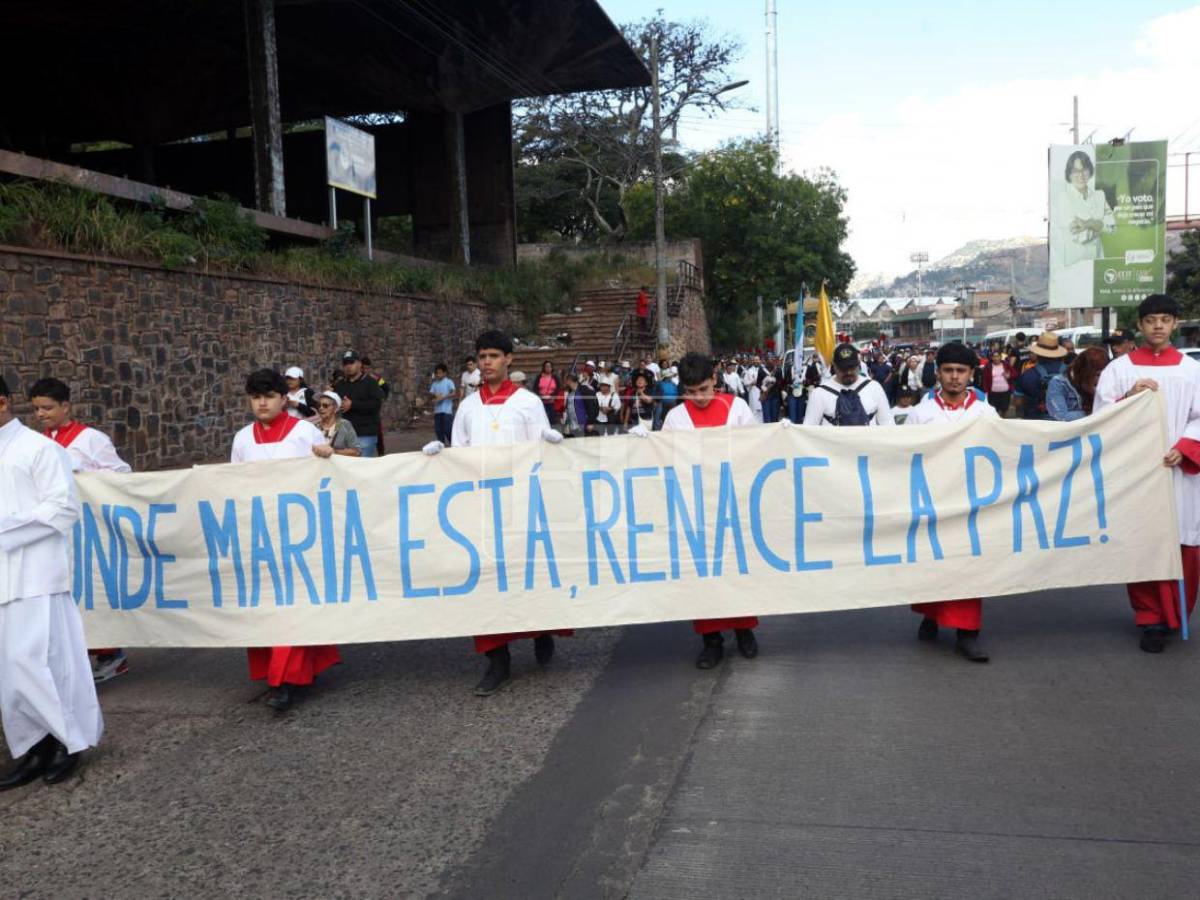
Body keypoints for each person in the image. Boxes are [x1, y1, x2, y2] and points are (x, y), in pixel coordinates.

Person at [423, 330, 571, 695]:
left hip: (521, 502)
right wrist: (440, 457)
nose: (486, 362)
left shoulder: (527, 402)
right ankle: (497, 659)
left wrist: (552, 444)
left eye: (493, 356)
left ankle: (541, 630)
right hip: (482, 506)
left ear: (509, 360)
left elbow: (541, 449)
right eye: (482, 356)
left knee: (527, 573)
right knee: (486, 579)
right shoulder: (468, 406)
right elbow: (461, 451)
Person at [0, 375, 104, 790]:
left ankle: (67, 742)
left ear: (3, 403)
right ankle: (33, 747)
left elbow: (62, 508)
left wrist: (4, 531)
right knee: (10, 672)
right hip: (3, 576)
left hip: (37, 573)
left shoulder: (39, 449)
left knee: (43, 663)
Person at [1094, 294, 1200, 653]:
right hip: (1136, 473)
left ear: (1174, 324)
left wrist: (1185, 447)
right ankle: (1150, 618)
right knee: (1142, 545)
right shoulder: (1120, 370)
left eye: (1165, 319)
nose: (1158, 326)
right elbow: (1101, 416)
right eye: (1151, 319)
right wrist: (1128, 397)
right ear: (1139, 325)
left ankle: (1177, 613)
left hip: (1179, 471)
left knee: (1183, 544)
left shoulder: (1191, 369)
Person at [231, 369, 341, 711]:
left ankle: (283, 681)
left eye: (268, 396)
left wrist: (327, 456)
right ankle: (283, 673)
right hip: (260, 534)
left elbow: (329, 474)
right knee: (268, 607)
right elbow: (231, 482)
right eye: (255, 397)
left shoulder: (303, 432)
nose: (262, 403)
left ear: (283, 399)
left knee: (293, 606)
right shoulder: (243, 438)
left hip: (299, 533)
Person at [655, 352, 761, 669]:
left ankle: (745, 631)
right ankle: (711, 639)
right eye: (690, 392)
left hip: (733, 502)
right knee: (703, 576)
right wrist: (645, 442)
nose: (698, 397)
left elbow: (756, 448)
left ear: (714, 380)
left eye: (703, 389)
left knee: (738, 570)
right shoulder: (676, 419)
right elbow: (664, 458)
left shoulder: (737, 408)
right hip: (696, 506)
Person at [29, 377, 134, 683]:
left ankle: (109, 653)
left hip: (88, 529)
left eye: (47, 408)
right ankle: (72, 656)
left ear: (66, 406)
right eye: (36, 409)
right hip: (53, 531)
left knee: (89, 589)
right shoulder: (38, 442)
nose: (41, 415)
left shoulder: (91, 439)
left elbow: (121, 475)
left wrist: (84, 475)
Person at [904, 343, 998, 662]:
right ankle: (932, 615)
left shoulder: (985, 413)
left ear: (971, 374)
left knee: (969, 566)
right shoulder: (921, 413)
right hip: (933, 503)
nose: (955, 377)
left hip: (972, 504)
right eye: (948, 370)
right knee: (934, 565)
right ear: (938, 373)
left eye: (961, 371)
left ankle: (967, 633)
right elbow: (903, 456)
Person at [804, 344, 894, 427]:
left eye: (852, 367)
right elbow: (809, 431)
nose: (849, 372)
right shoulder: (819, 394)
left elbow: (888, 424)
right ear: (834, 366)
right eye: (843, 368)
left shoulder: (874, 387)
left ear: (858, 364)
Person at [1057, 149, 1115, 267]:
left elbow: (1112, 227)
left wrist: (1088, 223)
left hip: (1099, 260)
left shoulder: (1100, 195)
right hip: (1076, 264)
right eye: (1075, 171)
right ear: (1069, 174)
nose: (1081, 175)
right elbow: (1076, 235)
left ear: (1090, 171)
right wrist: (1098, 225)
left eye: (1084, 169)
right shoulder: (1063, 198)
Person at [333, 350, 385, 457]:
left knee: (362, 469)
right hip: (344, 435)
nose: (348, 366)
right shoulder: (340, 385)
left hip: (365, 433)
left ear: (359, 364)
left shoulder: (371, 382)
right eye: (345, 363)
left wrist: (353, 405)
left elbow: (376, 404)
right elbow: (335, 404)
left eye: (351, 362)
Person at [1014, 332, 1069, 420]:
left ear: (1037, 353)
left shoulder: (1028, 375)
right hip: (1067, 424)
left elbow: (1018, 402)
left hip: (1037, 424)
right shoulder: (1070, 372)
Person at [1046, 347, 1108, 422]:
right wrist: (1095, 412)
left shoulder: (1105, 382)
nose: (1101, 379)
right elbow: (1061, 417)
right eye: (1098, 375)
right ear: (1085, 373)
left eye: (1104, 374)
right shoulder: (1059, 383)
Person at [313, 390, 361, 456]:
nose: (321, 408)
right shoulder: (314, 426)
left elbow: (356, 451)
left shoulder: (345, 425)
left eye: (325, 405)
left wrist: (334, 452)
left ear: (336, 409)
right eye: (318, 405)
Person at [981, 349, 1017, 416]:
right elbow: (985, 380)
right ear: (991, 357)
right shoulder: (988, 366)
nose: (996, 358)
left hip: (1005, 392)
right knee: (994, 411)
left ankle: (1003, 422)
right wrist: (985, 391)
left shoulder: (1006, 364)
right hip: (993, 393)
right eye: (994, 356)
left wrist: (1009, 376)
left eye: (997, 356)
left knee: (1004, 409)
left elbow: (1015, 374)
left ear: (1000, 357)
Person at [429, 364, 456, 446]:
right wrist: (435, 397)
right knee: (438, 431)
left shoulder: (449, 382)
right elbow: (431, 395)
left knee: (447, 429)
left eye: (440, 373)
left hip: (447, 411)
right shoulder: (435, 384)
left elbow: (453, 393)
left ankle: (454, 444)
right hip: (437, 411)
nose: (438, 375)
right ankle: (441, 447)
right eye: (437, 373)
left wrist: (443, 397)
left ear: (445, 373)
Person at [536, 361, 560, 426]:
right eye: (546, 366)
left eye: (549, 366)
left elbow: (558, 388)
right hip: (542, 401)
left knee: (552, 419)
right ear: (544, 367)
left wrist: (551, 396)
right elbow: (535, 388)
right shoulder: (539, 377)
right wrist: (541, 396)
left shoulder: (555, 377)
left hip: (552, 401)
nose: (548, 368)